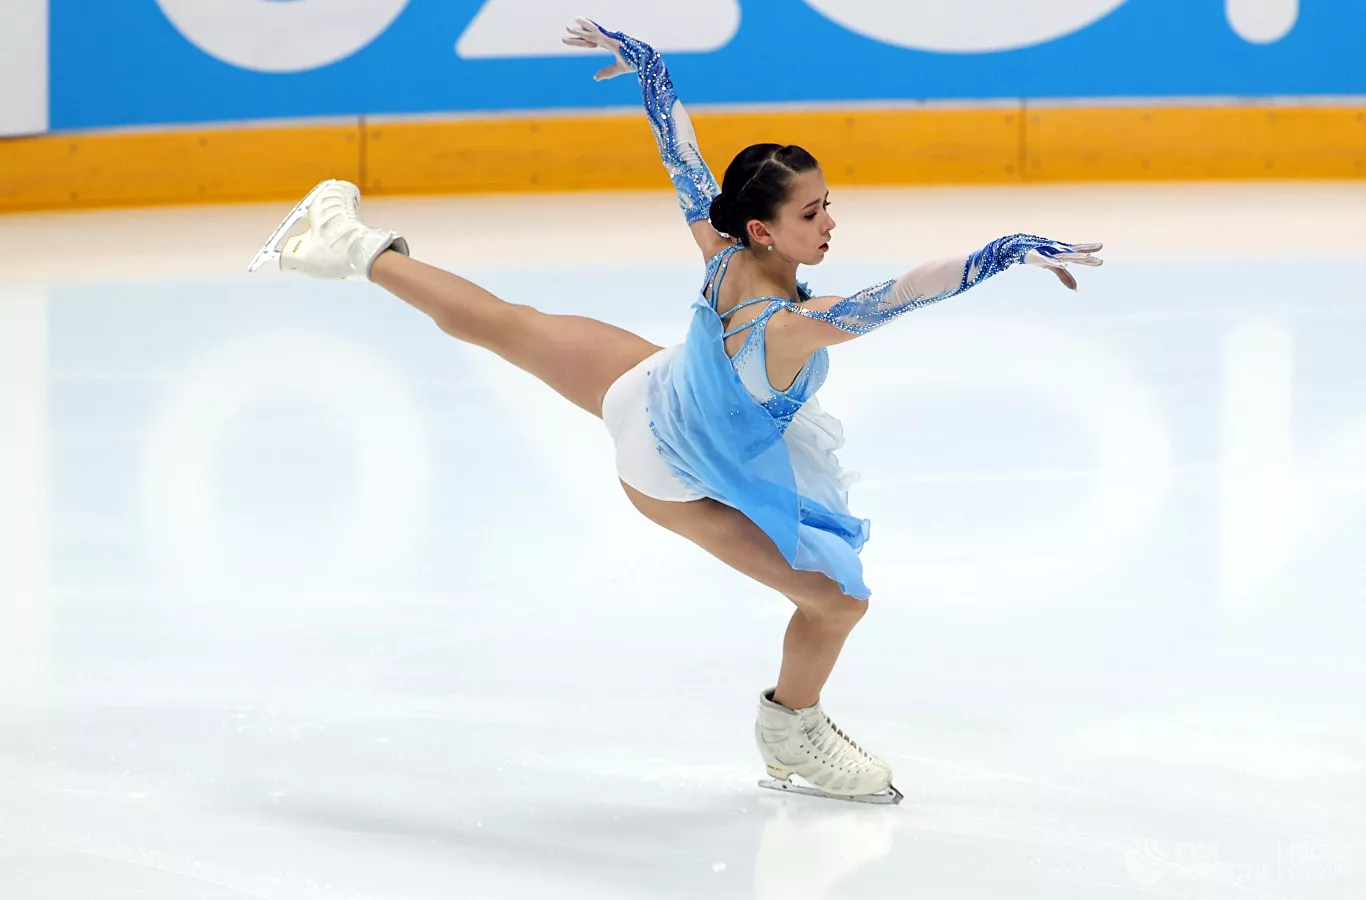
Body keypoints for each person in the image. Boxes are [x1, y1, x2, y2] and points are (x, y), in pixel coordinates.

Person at [247, 18, 1102, 804]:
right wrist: (1005, 252)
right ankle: (790, 732)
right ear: (764, 232)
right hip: (666, 473)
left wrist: (653, 75)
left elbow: (684, 164)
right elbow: (899, 295)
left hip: (649, 388)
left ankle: (346, 246)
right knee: (839, 603)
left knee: (509, 323)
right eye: (813, 212)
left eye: (826, 202)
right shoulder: (790, 329)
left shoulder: (722, 251)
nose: (830, 221)